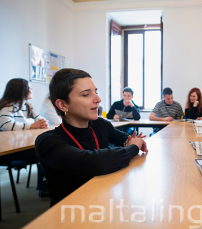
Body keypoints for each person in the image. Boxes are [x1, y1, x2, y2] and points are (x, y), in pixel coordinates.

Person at [35, 68, 148, 206]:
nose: (98, 99)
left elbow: (123, 138)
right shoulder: (47, 142)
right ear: (63, 104)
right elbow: (93, 162)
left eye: (96, 92)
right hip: (70, 213)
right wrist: (133, 147)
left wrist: (128, 142)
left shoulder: (100, 124)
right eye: (86, 94)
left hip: (104, 201)